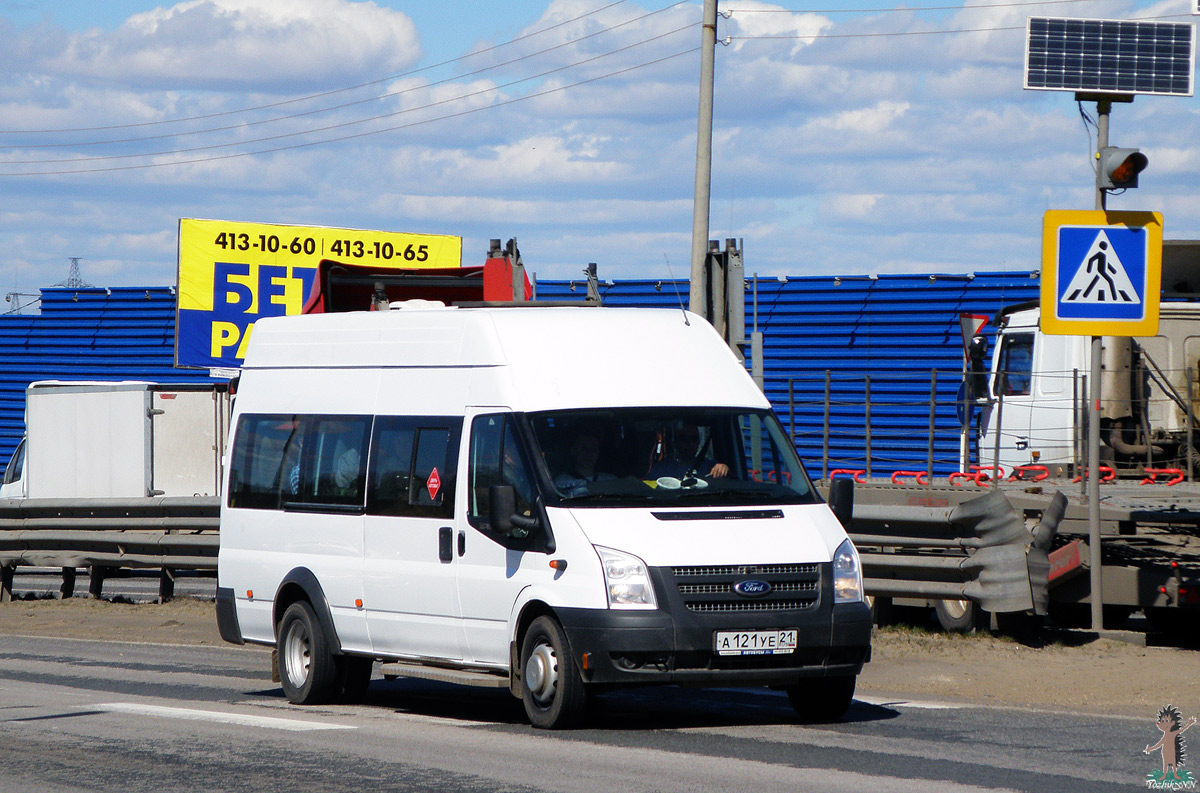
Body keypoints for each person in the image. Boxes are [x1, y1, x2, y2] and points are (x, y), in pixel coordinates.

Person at [649, 422, 728, 480]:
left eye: (694, 439)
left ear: (698, 442)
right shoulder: (662, 469)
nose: (690, 443)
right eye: (684, 439)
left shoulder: (710, 467)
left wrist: (723, 469)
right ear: (675, 442)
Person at [554, 430, 615, 497]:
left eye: (593, 448)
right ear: (573, 451)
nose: (589, 453)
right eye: (583, 448)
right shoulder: (560, 483)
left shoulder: (611, 481)